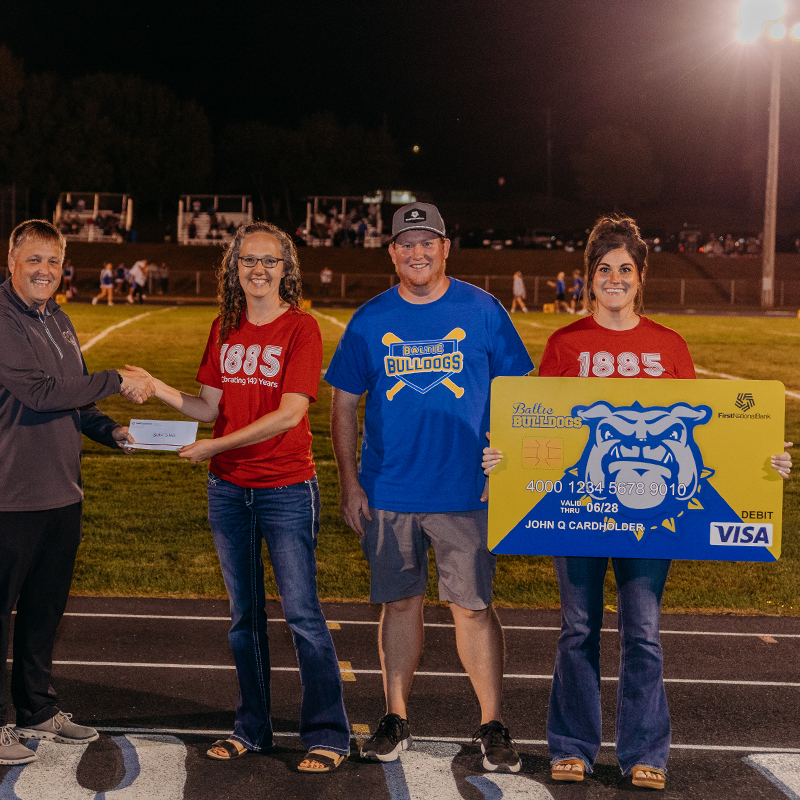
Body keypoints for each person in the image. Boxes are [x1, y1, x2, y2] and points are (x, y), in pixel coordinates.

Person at [483, 214, 791, 790]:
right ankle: (571, 745)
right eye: (604, 269)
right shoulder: (565, 344)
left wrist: (763, 463)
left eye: (625, 269)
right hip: (579, 510)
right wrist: (504, 459)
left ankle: (645, 750)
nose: (615, 279)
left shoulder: (669, 345)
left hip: (652, 517)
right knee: (578, 628)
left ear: (641, 275)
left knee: (643, 632)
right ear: (589, 276)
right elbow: (534, 425)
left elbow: (708, 435)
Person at [125, 222, 350, 773]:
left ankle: (328, 733)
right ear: (234, 267)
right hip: (228, 490)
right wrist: (156, 388)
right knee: (243, 617)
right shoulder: (224, 327)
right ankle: (253, 728)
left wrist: (216, 446)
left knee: (303, 615)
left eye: (269, 260)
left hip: (286, 488)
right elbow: (208, 408)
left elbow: (291, 413)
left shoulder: (301, 328)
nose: (258, 269)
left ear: (285, 268)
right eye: (248, 259)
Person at [325, 202, 534, 771]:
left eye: (427, 242)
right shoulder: (369, 319)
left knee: (473, 608)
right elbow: (343, 405)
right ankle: (395, 717)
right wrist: (350, 482)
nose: (416, 253)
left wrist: (506, 460)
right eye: (405, 244)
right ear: (392, 252)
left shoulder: (483, 310)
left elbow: (522, 392)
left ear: (445, 248)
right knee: (399, 604)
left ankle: (492, 722)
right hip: (388, 488)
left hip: (465, 489)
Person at [0, 219, 151, 766]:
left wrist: (111, 431)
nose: (45, 270)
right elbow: (41, 393)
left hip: (61, 492)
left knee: (45, 611)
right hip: (4, 495)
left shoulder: (60, 320)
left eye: (53, 261)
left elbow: (75, 401)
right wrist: (116, 378)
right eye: (34, 259)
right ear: (12, 262)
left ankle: (37, 708)